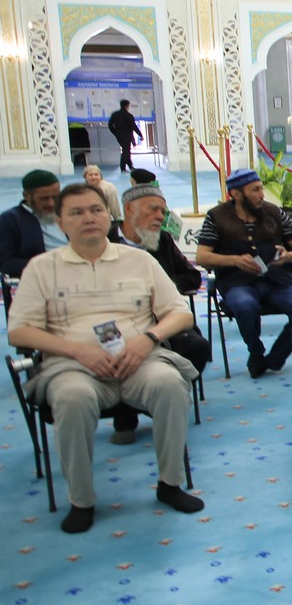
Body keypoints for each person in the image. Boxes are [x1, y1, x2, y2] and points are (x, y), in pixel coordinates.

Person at [8, 183, 204, 533]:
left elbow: (180, 313)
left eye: (96, 210)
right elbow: (19, 332)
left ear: (108, 215)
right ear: (59, 222)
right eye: (77, 213)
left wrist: (148, 339)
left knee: (170, 385)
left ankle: (170, 484)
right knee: (72, 397)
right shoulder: (41, 268)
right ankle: (81, 500)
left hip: (139, 361)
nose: (89, 218)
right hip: (73, 365)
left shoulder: (139, 260)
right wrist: (77, 350)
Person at [106, 182, 212, 444]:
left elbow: (191, 277)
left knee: (198, 347)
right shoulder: (104, 239)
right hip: (117, 321)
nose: (159, 217)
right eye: (153, 210)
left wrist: (161, 287)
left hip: (162, 320)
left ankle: (156, 399)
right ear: (129, 209)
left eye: (162, 212)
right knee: (116, 350)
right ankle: (125, 418)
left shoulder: (162, 240)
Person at [195, 168, 292, 377]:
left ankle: (275, 358)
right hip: (237, 282)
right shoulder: (216, 217)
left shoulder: (274, 212)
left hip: (278, 281)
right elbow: (202, 257)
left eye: (261, 188)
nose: (261, 194)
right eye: (255, 190)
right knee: (245, 306)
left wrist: (289, 255)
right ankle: (255, 351)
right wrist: (234, 260)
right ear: (236, 194)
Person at [0, 169, 64, 277]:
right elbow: (5, 263)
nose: (51, 203)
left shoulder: (68, 212)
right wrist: (46, 266)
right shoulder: (10, 220)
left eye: (55, 197)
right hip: (42, 277)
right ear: (26, 196)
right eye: (44, 198)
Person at [108, 99, 142, 173]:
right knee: (126, 151)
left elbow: (110, 125)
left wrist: (115, 132)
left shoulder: (115, 114)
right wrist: (140, 134)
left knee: (126, 150)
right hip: (127, 135)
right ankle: (123, 167)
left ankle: (130, 166)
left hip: (118, 135)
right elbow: (134, 126)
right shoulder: (128, 115)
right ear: (127, 106)